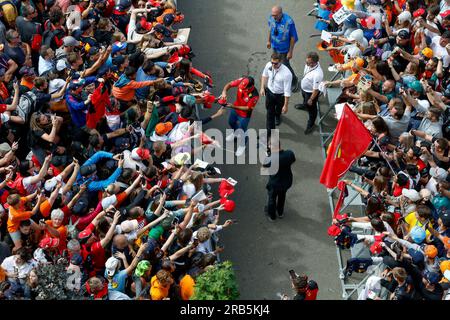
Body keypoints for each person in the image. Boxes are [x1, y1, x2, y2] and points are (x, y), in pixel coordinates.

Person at [219, 76, 259, 156]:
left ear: (250, 87)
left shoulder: (255, 95)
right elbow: (229, 84)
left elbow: (248, 108)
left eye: (244, 88)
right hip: (235, 109)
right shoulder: (242, 80)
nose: (241, 88)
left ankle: (242, 145)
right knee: (231, 122)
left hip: (244, 115)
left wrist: (233, 106)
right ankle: (235, 133)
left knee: (242, 130)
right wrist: (224, 91)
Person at [263, 136, 296, 221]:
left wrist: (268, 156)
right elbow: (292, 159)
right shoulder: (289, 154)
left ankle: (272, 216)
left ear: (271, 146)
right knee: (282, 196)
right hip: (287, 181)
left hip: (275, 183)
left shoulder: (272, 159)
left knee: (272, 198)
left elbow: (265, 164)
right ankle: (280, 212)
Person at [267, 5, 299, 92]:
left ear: (281, 13)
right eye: (272, 15)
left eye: (275, 15)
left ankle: (294, 80)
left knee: (285, 65)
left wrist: (290, 51)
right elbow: (270, 29)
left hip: (284, 49)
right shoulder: (271, 18)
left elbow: (293, 37)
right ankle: (277, 73)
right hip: (275, 46)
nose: (273, 17)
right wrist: (269, 41)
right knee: (275, 61)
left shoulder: (289, 22)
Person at [260, 53, 292, 136]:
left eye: (276, 63)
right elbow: (264, 75)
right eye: (272, 63)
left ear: (281, 61)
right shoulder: (268, 65)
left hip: (280, 95)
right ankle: (269, 132)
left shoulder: (287, 74)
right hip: (270, 93)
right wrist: (262, 87)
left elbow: (287, 91)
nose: (273, 65)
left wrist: (286, 105)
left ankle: (278, 115)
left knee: (278, 109)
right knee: (269, 113)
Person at [294, 52, 324, 135]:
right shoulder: (310, 64)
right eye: (306, 62)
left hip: (311, 93)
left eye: (308, 63)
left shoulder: (318, 74)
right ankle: (305, 105)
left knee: (312, 108)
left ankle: (311, 124)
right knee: (305, 100)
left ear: (314, 63)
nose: (306, 64)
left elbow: (316, 89)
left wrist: (311, 99)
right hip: (305, 89)